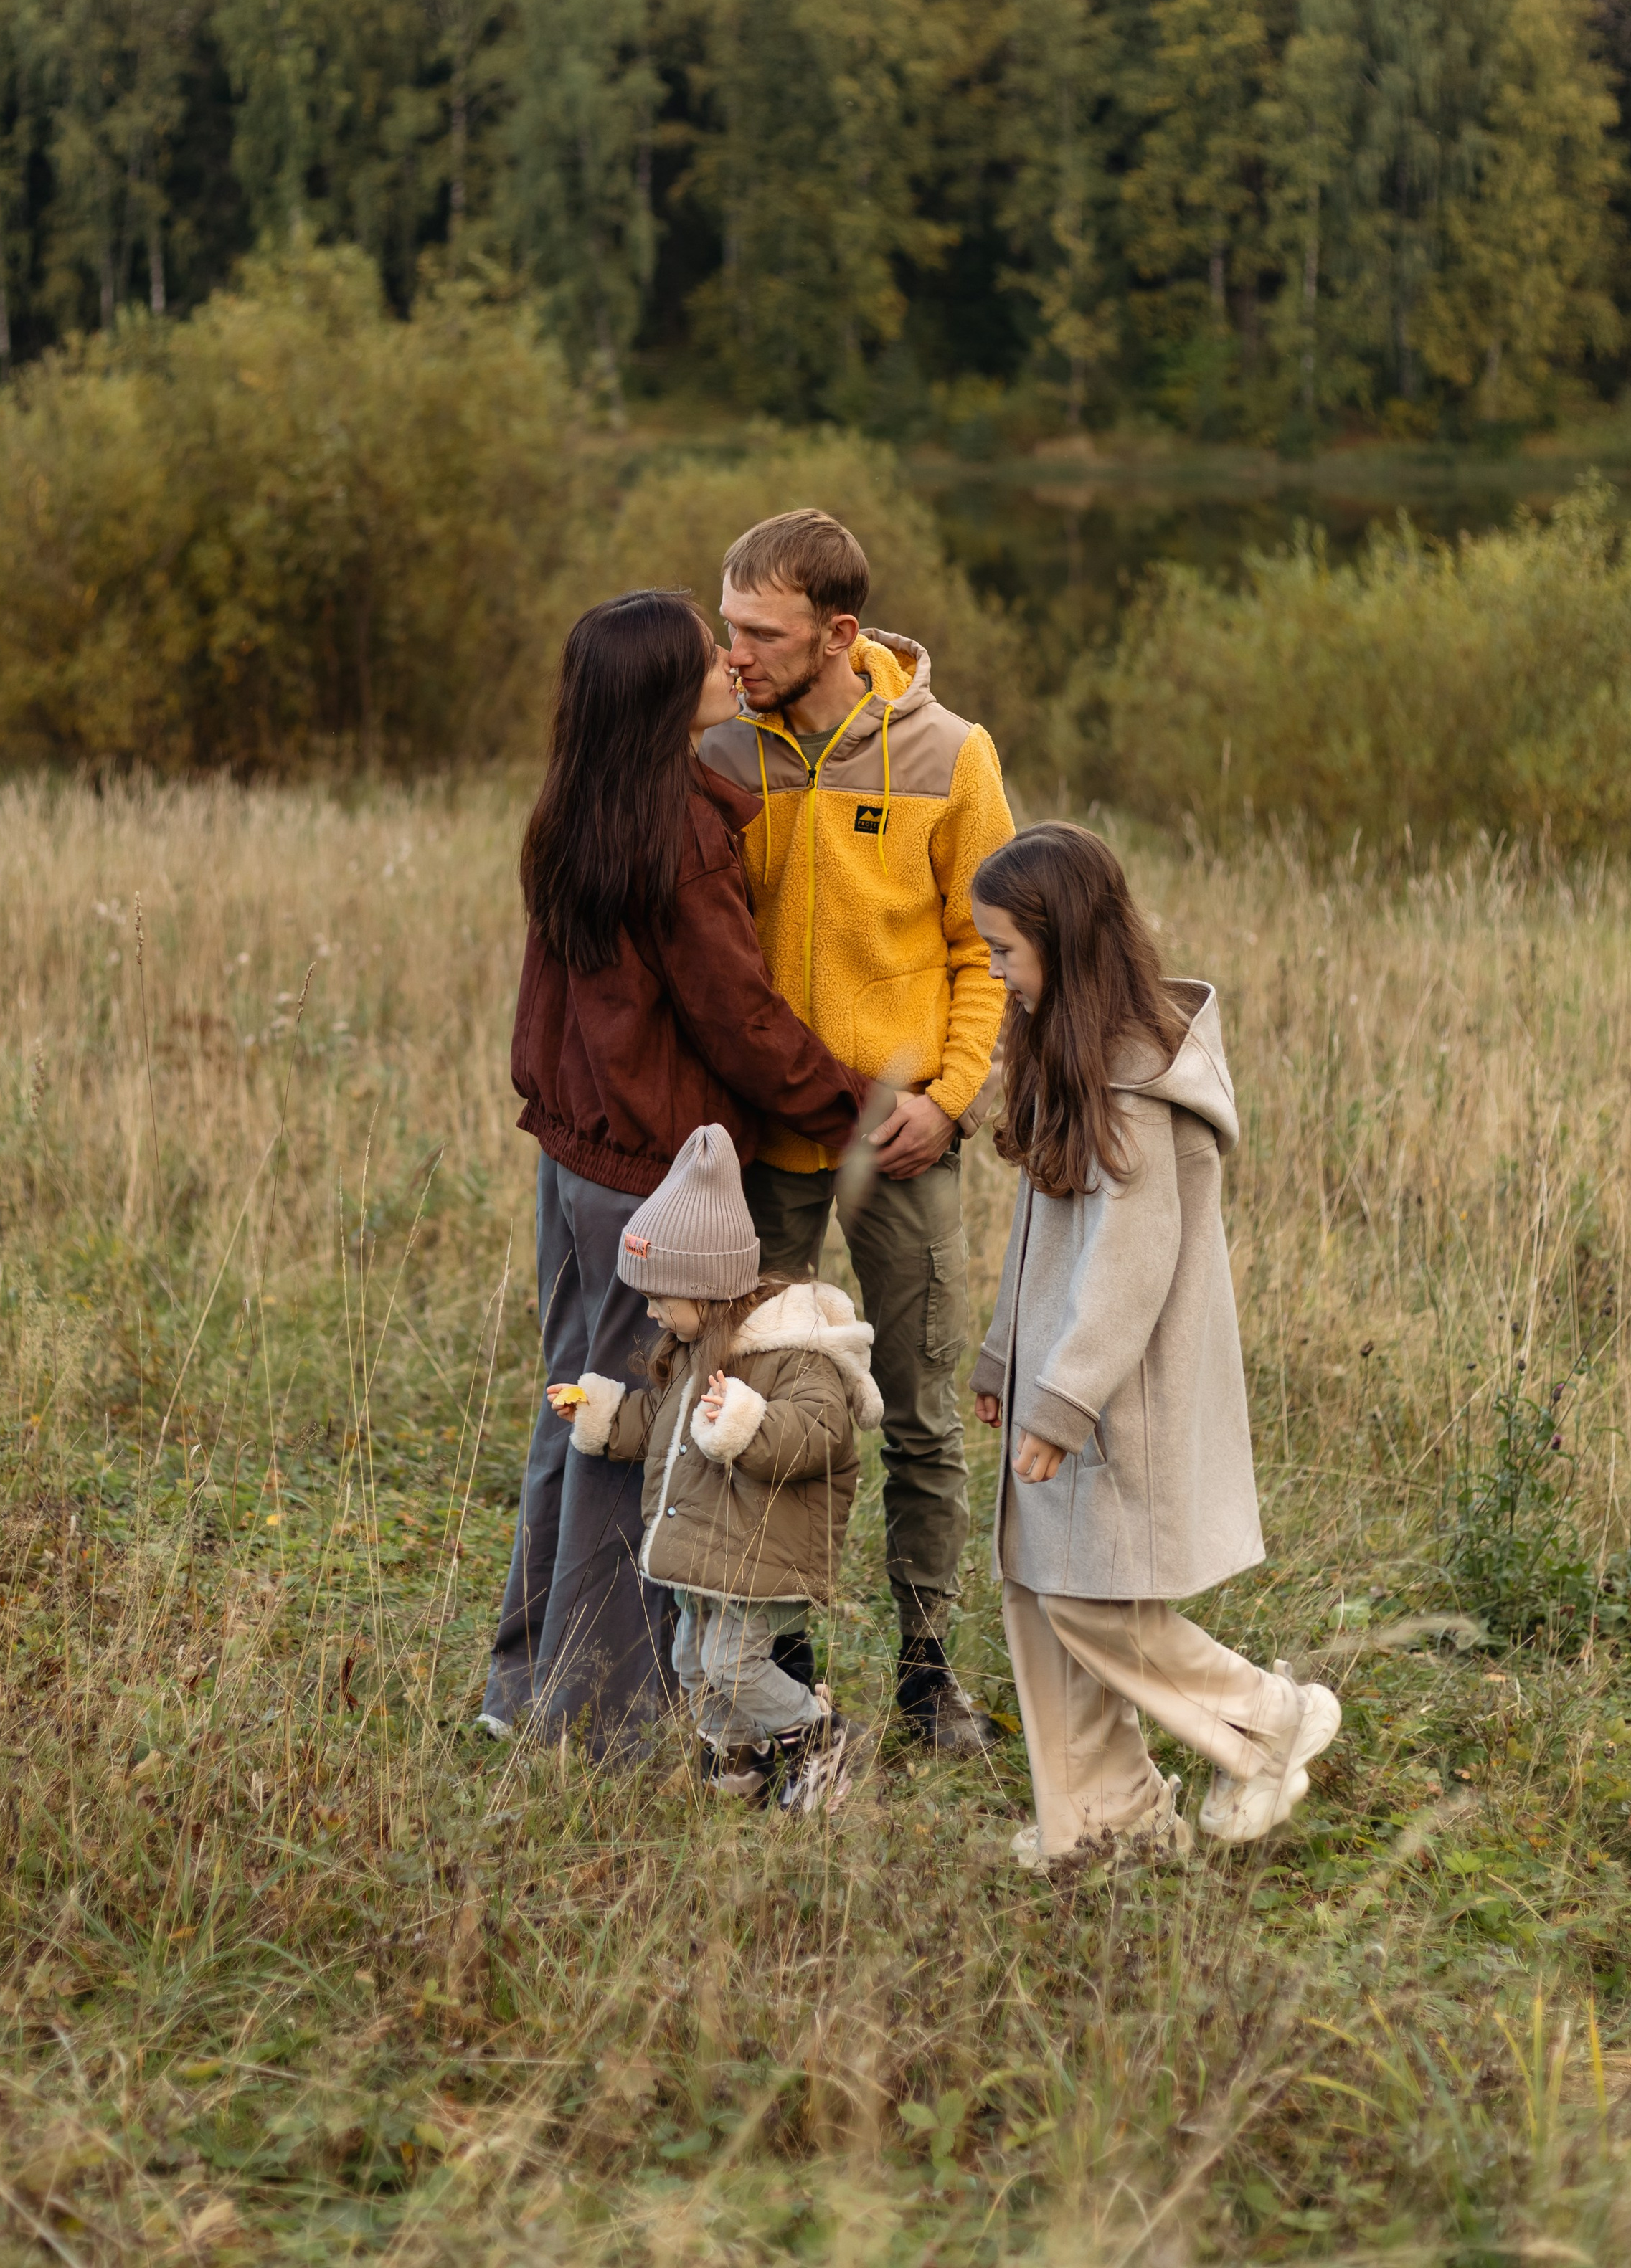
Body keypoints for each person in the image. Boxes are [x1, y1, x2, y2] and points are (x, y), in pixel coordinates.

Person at [482, 589, 878, 1754]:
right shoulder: (679, 829)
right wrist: (857, 1107)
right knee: (635, 1434)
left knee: (576, 1414)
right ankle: (597, 1718)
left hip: (573, 1159)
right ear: (663, 693)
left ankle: (524, 1686)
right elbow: (739, 1019)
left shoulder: (579, 805)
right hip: (654, 1177)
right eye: (704, 652)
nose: (727, 657)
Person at [698, 508, 1015, 1752]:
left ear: (839, 634)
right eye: (728, 629)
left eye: (761, 635)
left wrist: (952, 1099)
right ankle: (778, 1676)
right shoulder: (724, 752)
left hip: (904, 1144)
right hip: (768, 1137)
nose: (736, 656)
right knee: (764, 1402)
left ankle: (930, 1682)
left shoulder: (954, 753)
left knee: (921, 1415)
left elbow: (986, 946)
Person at [967, 822, 1342, 1869]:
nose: (995, 972)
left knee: (1093, 1599)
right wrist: (1004, 1357)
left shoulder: (1138, 1078)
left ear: (1062, 936)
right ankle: (1104, 1823)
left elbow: (1131, 1266)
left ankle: (1271, 1720)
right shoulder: (1072, 1051)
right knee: (1043, 1595)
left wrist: (1064, 1402)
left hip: (1115, 1394)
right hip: (1059, 1374)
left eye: (1004, 949)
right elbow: (1042, 1237)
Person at [552, 1122, 881, 1811]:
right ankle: (739, 1766)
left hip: (759, 1552)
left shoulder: (794, 1349)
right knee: (694, 1662)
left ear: (706, 1287)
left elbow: (820, 1433)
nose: (650, 1312)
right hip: (709, 1552)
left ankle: (821, 1740)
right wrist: (604, 1414)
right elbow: (665, 1425)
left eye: (660, 1297)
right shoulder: (694, 1344)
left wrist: (745, 1422)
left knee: (733, 1663)